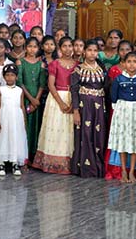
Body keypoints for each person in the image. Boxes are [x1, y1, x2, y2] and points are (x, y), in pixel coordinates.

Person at [33, 36, 76, 174]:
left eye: (70, 46)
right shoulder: (55, 64)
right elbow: (51, 85)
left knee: (69, 130)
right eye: (65, 46)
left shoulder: (78, 64)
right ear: (60, 48)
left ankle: (68, 163)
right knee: (55, 129)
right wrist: (61, 102)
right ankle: (50, 163)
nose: (68, 49)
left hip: (72, 98)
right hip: (56, 99)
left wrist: (73, 103)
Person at [107, 52, 136, 184]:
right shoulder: (119, 79)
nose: (131, 64)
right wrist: (118, 109)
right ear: (124, 64)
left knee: (135, 141)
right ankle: (123, 171)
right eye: (129, 61)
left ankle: (132, 171)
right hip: (122, 111)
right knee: (123, 140)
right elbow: (113, 96)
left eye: (134, 61)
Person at [71, 40, 108, 178]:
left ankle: (97, 167)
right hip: (84, 107)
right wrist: (75, 111)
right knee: (85, 135)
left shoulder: (102, 69)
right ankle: (85, 168)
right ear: (84, 52)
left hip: (99, 107)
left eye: (95, 50)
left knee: (98, 135)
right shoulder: (78, 69)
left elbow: (106, 88)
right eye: (89, 50)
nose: (92, 53)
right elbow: (74, 91)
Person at [0, 64, 28, 176]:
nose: (10, 78)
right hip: (4, 117)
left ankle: (15, 163)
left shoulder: (19, 90)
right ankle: (1, 163)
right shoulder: (1, 90)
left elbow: (21, 106)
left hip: (16, 119)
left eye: (12, 75)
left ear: (16, 77)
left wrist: (24, 121)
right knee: (2, 138)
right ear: (4, 77)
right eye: (7, 75)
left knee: (15, 138)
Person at [16, 37, 47, 164]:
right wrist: (31, 99)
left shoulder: (41, 64)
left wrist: (37, 99)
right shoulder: (20, 62)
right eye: (29, 46)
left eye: (35, 47)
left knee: (36, 127)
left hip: (37, 100)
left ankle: (33, 155)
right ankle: (23, 156)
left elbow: (42, 84)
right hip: (24, 98)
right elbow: (20, 83)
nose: (32, 49)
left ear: (38, 48)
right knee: (24, 126)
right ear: (25, 47)